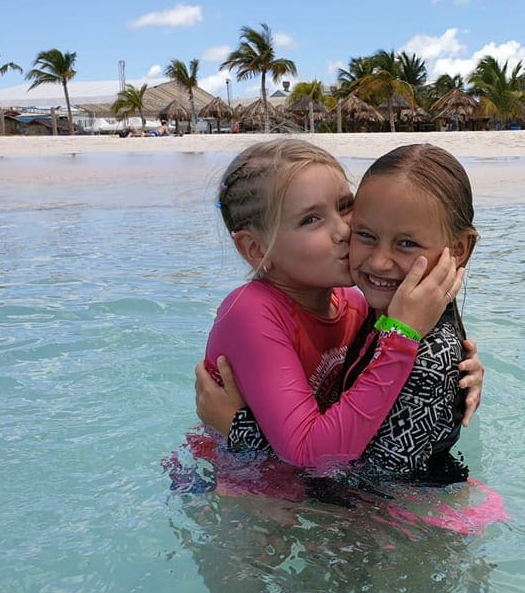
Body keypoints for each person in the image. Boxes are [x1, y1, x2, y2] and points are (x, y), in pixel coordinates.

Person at [197, 140, 473, 472]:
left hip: (305, 487)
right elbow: (311, 455)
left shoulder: (356, 304)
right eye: (311, 219)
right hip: (236, 487)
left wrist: (455, 374)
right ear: (256, 249)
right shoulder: (250, 313)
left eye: (344, 206)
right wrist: (402, 336)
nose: (344, 230)